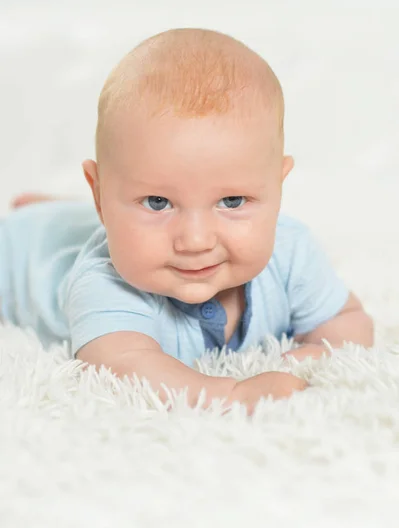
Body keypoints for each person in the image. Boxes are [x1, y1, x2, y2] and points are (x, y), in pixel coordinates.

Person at [0, 28, 373, 414]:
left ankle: (79, 208)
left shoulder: (292, 252)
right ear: (100, 194)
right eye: (158, 202)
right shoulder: (106, 281)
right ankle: (48, 213)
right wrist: (228, 396)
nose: (195, 240)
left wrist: (323, 350)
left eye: (231, 201)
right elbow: (121, 366)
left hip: (92, 214)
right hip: (21, 249)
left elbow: (346, 316)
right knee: (55, 235)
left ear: (278, 189)